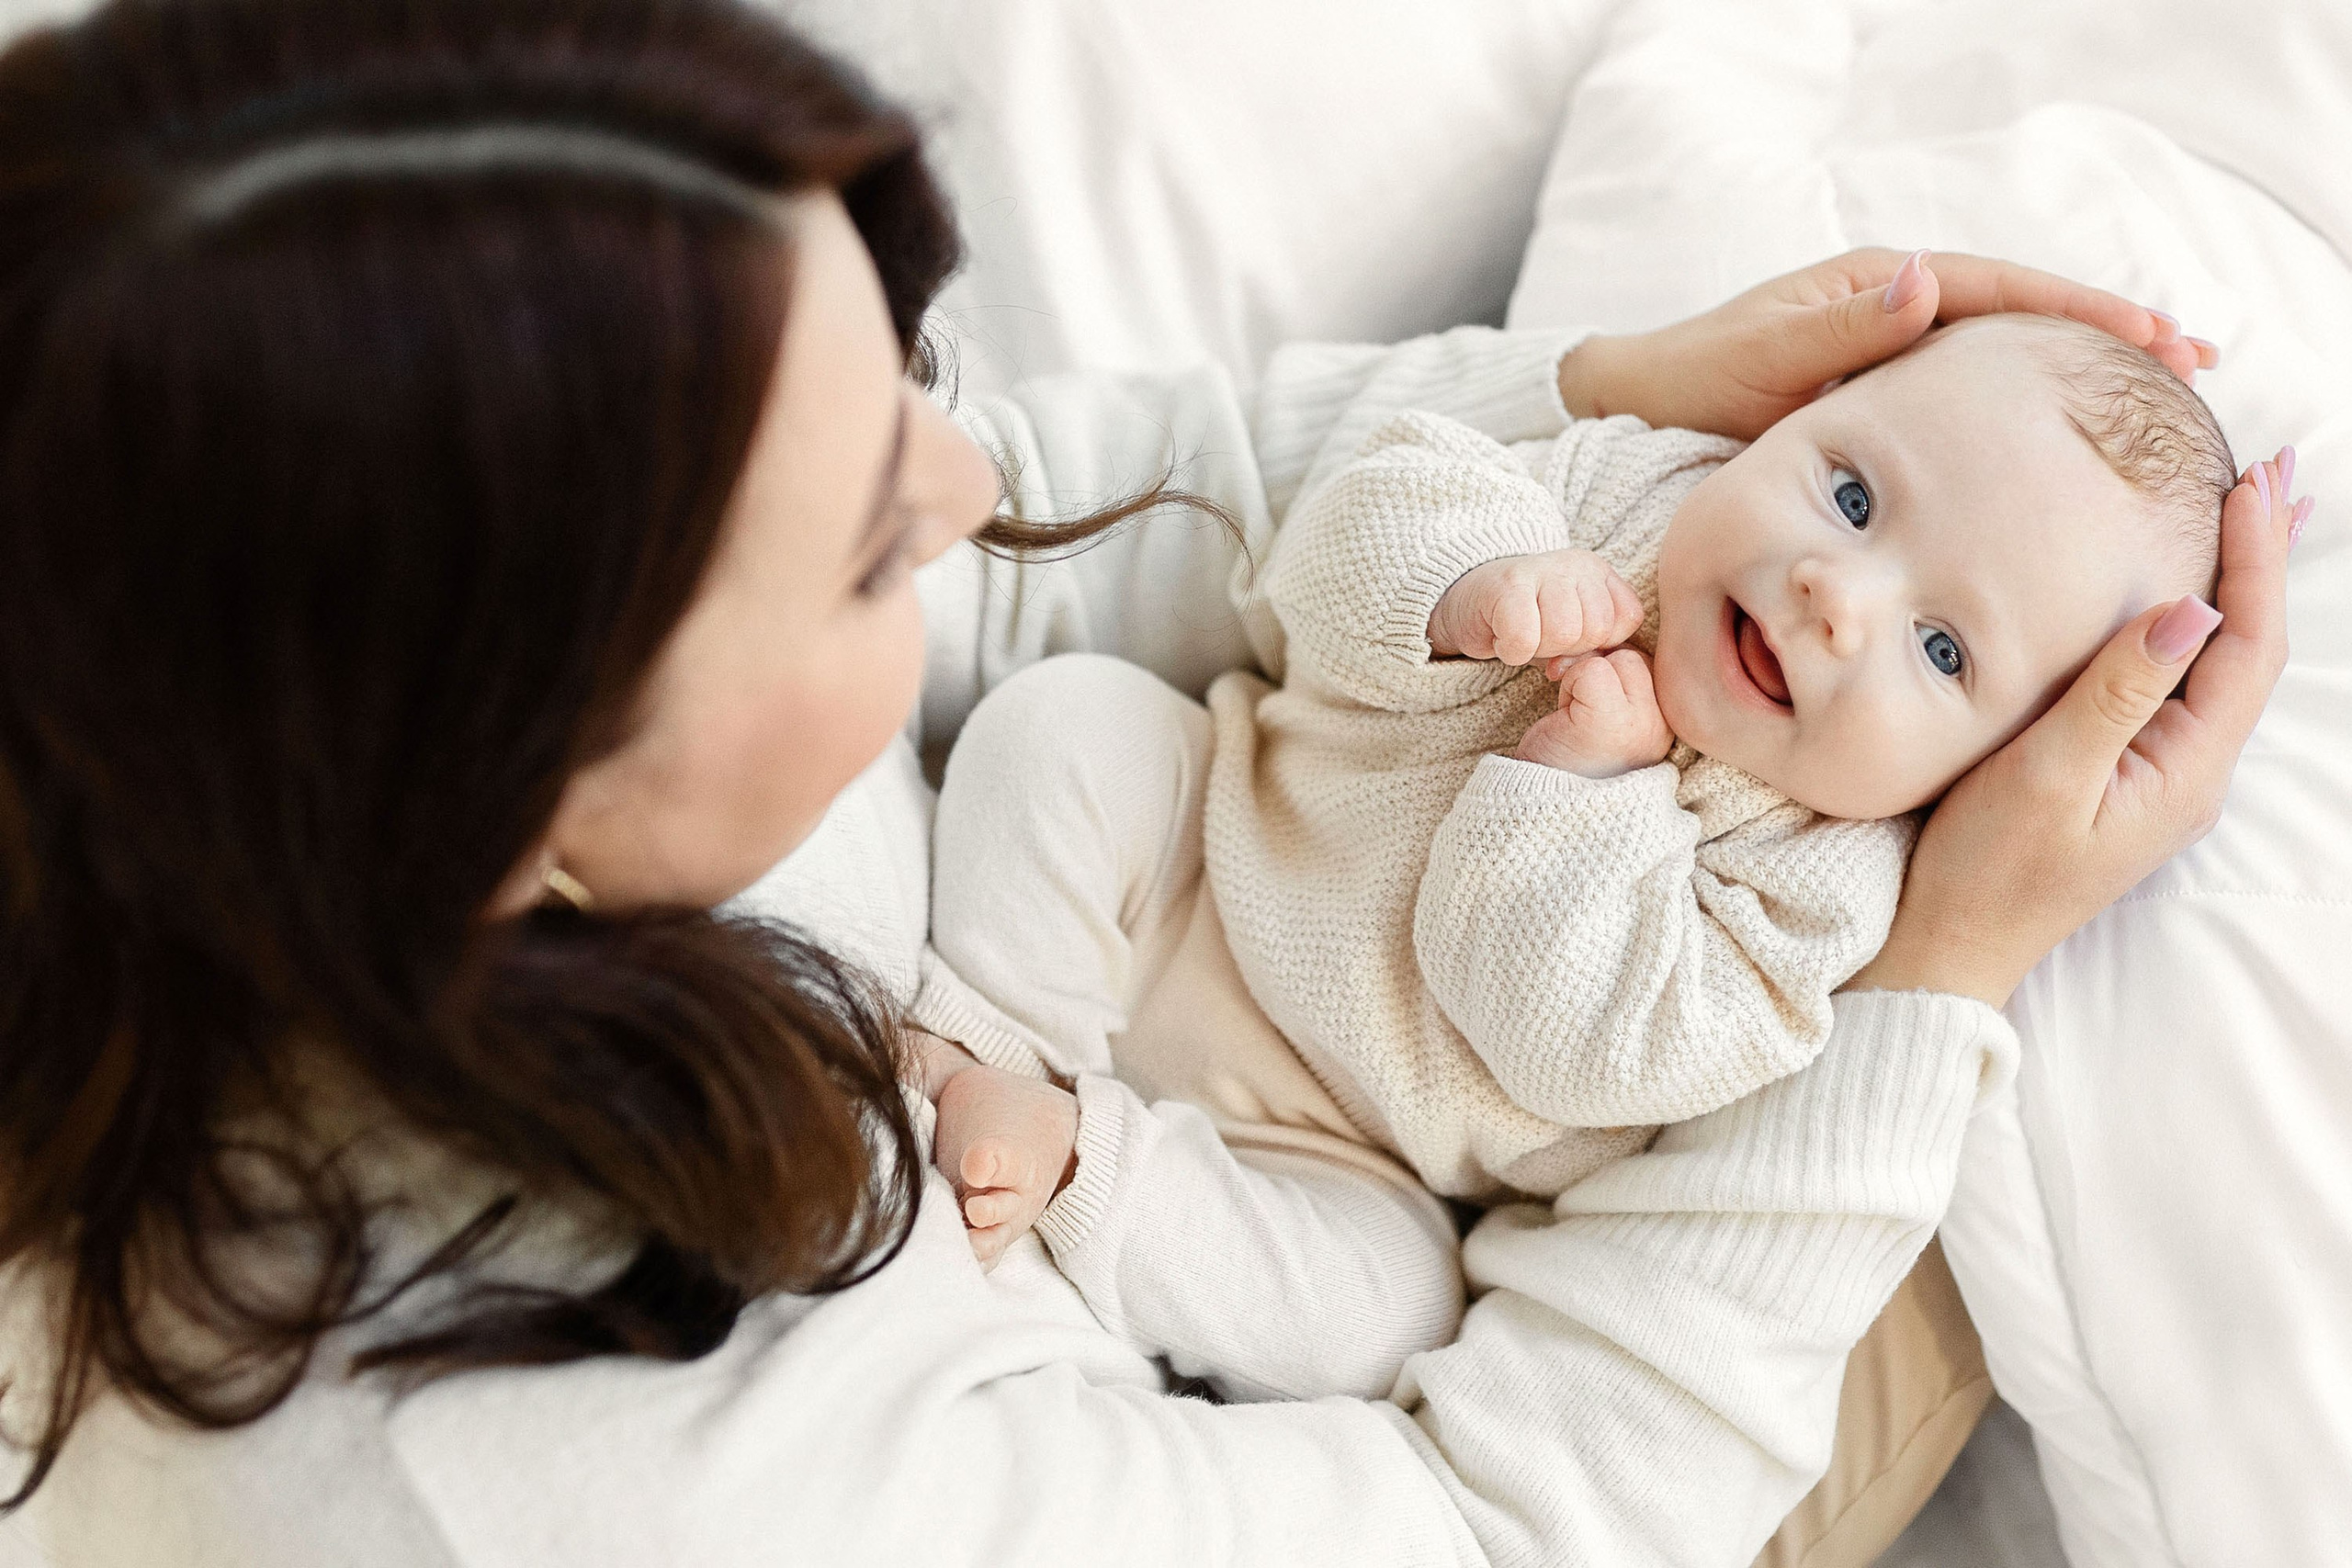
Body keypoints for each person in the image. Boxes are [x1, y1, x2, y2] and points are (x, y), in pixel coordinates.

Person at [0, 3, 2290, 1566]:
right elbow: (1516, 1514)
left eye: (895, 360)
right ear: (510, 805)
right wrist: (1937, 976)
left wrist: (1592, 391)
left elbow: (1041, 513)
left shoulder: (206, 620)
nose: (965, 482)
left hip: (1353, 1123)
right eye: (862, 543)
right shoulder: (675, 1471)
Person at [912, 314, 2283, 1411]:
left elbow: (1591, 1052)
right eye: (1853, 493)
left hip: (1348, 1150)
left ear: (1998, 765)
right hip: (1199, 848)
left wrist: (1582, 795)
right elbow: (1322, 550)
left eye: (1943, 650)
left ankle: (1083, 1167)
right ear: (1796, 415)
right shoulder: (1636, 491)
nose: (1833, 591)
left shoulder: (1831, 890)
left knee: (1380, 1318)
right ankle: (983, 1036)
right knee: (1066, 730)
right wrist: (1462, 587)